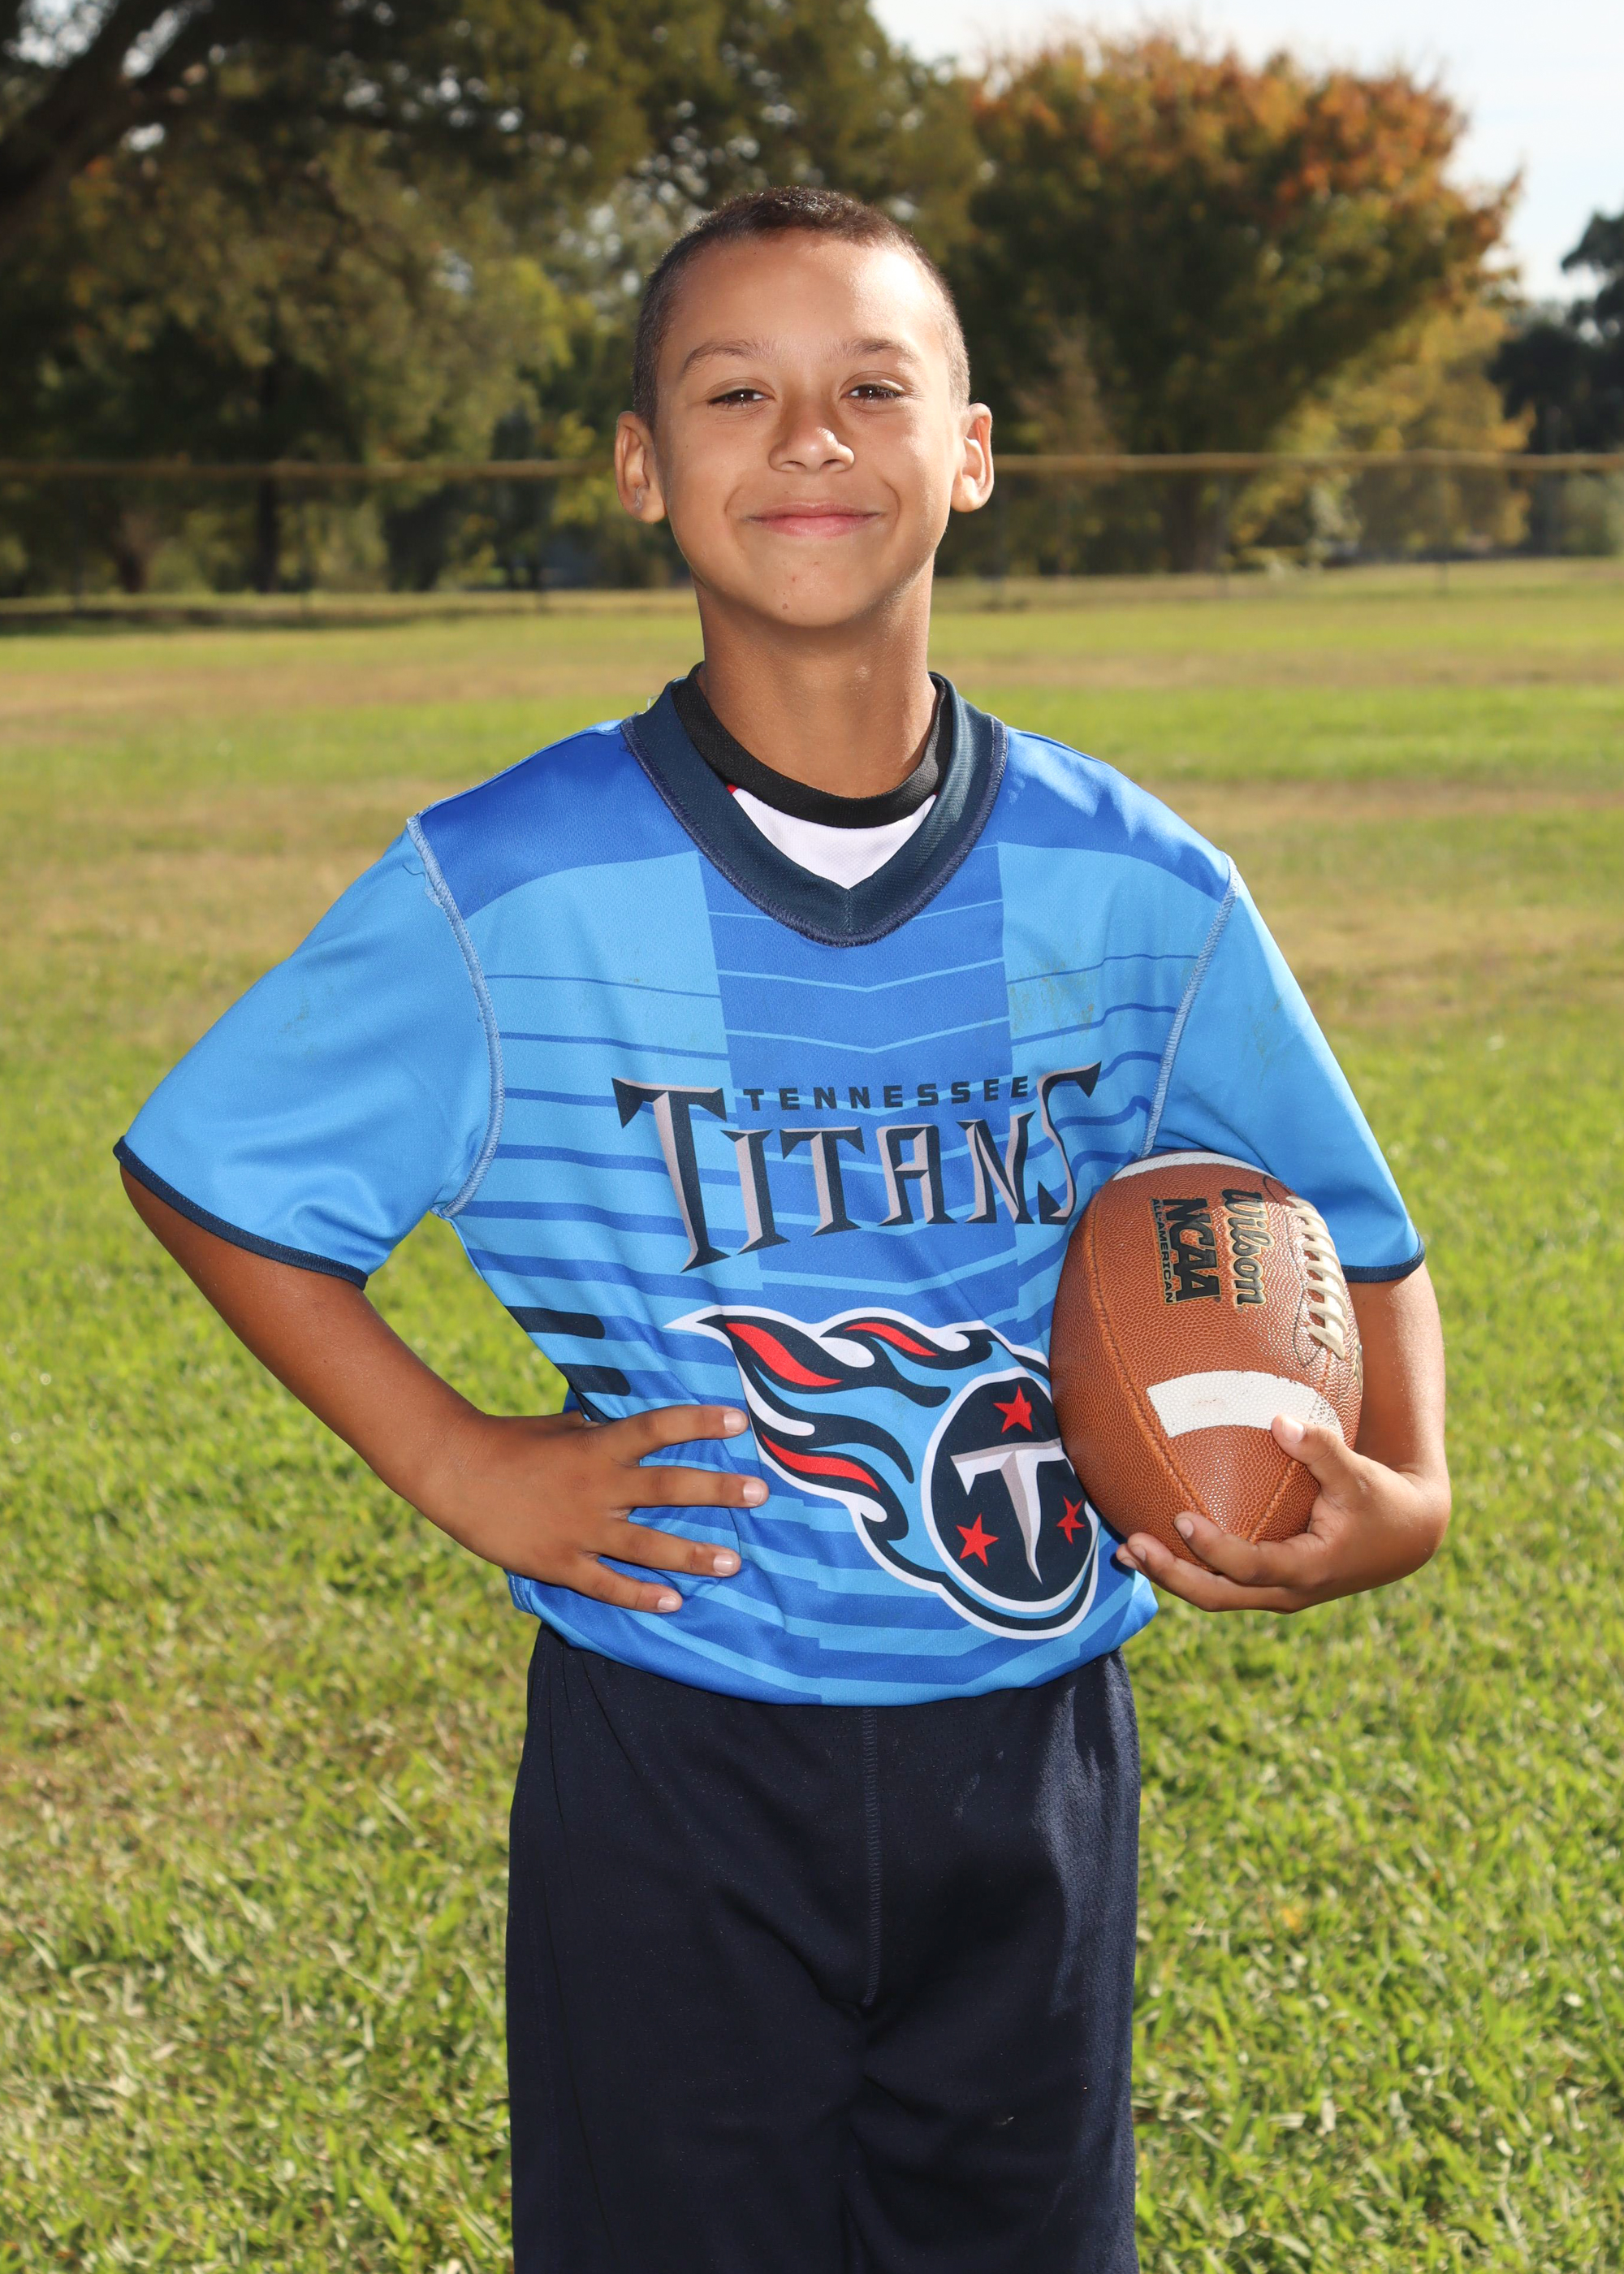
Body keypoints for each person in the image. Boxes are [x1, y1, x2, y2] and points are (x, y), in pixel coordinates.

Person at [117, 188, 1450, 2273]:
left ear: (970, 452)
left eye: (870, 388)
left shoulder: (1138, 885)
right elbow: (217, 1173)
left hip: (1029, 1740)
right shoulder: (512, 881)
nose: (809, 436)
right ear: (641, 464)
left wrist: (1411, 1486)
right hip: (673, 1744)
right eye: (735, 392)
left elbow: (1347, 1223)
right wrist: (463, 1459)